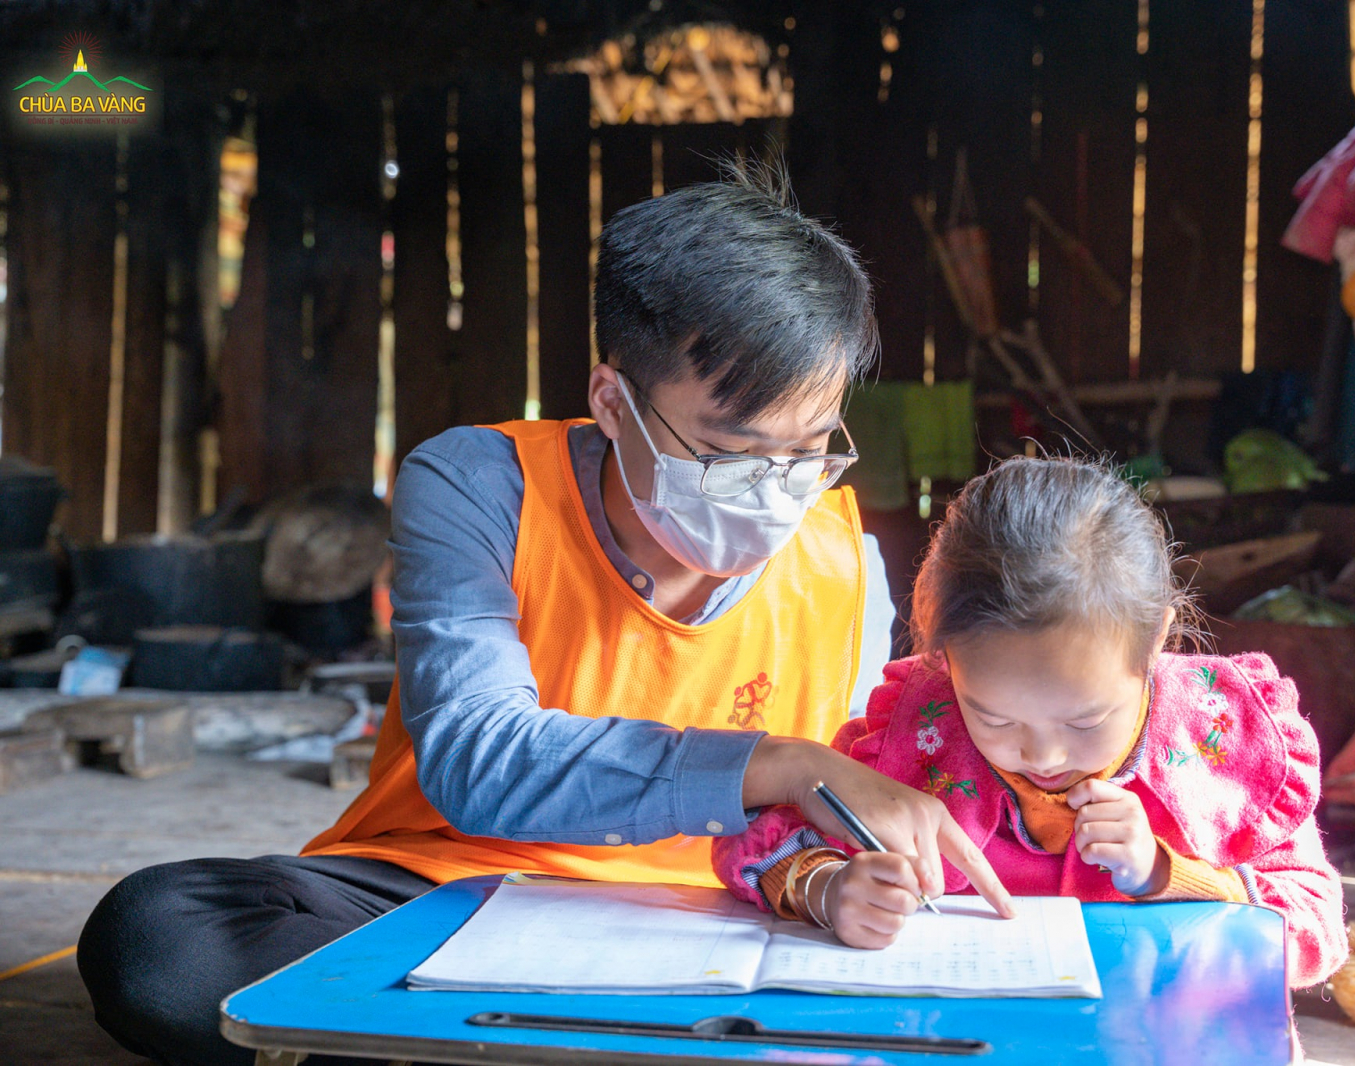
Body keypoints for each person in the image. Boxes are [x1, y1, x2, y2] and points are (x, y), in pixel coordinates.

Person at [77, 167, 1009, 1066]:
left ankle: (476, 1049)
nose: (775, 492)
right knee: (164, 939)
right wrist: (782, 765)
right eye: (732, 452)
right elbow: (475, 760)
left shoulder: (842, 561)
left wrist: (840, 880)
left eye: (808, 451)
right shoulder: (480, 487)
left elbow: (831, 824)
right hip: (448, 886)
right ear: (614, 401)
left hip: (716, 917)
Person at [714, 456, 1349, 990]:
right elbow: (750, 836)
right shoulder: (915, 727)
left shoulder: (1223, 736)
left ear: (1154, 639)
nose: (1042, 754)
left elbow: (1317, 928)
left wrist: (1168, 874)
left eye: (1086, 719)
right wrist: (824, 887)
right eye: (991, 716)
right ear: (946, 660)